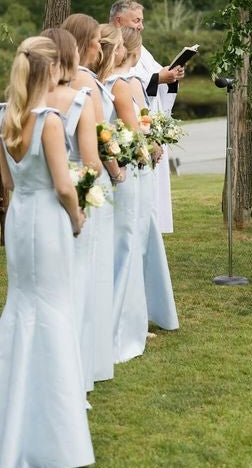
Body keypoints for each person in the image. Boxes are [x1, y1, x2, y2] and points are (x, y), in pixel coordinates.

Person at [0, 36, 94, 467]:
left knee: (20, 307)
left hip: (19, 219)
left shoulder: (7, 118)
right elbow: (62, 185)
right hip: (49, 221)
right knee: (54, 307)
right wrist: (77, 218)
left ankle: (13, 410)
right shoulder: (50, 121)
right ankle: (54, 424)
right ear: (48, 68)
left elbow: (7, 183)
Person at [61, 13, 125, 385]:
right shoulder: (85, 81)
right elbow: (101, 138)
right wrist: (116, 170)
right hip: (87, 178)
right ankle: (93, 353)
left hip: (68, 175)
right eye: (98, 42)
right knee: (92, 267)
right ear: (87, 42)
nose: (101, 47)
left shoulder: (64, 77)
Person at [41, 27, 104, 395]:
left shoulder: (15, 107)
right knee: (76, 282)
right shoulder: (78, 97)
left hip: (29, 209)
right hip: (72, 197)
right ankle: (74, 368)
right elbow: (92, 161)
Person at [95, 23, 149, 363]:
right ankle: (121, 328)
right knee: (128, 244)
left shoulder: (103, 83)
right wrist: (150, 147)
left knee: (121, 243)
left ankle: (127, 320)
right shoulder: (122, 84)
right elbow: (133, 129)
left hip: (118, 165)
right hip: (124, 169)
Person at [120, 26, 179, 333]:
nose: (141, 24)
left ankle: (142, 306)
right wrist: (151, 143)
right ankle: (132, 313)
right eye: (137, 19)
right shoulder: (121, 83)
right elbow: (134, 122)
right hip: (131, 166)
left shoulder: (127, 78)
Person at [109, 0, 185, 233]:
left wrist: (171, 76)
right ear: (119, 21)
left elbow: (151, 74)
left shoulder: (141, 49)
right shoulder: (110, 47)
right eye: (136, 20)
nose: (141, 26)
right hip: (128, 132)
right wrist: (159, 79)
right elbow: (122, 81)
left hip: (146, 126)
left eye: (142, 21)